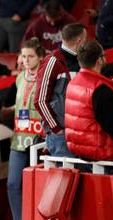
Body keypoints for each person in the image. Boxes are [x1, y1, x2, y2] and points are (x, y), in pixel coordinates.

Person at [0, 38, 46, 220]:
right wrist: (7, 112)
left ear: (41, 57)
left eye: (30, 56)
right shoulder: (19, 79)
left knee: (41, 186)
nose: (26, 61)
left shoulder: (47, 78)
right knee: (13, 183)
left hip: (41, 141)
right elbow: (8, 107)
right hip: (19, 139)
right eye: (23, 56)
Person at [65, 40, 113, 162]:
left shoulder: (73, 83)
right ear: (99, 60)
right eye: (104, 55)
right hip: (104, 157)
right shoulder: (101, 91)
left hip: (81, 154)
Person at [34, 23, 86, 158]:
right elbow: (39, 100)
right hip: (62, 136)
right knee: (66, 177)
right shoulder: (53, 61)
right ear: (80, 41)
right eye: (86, 39)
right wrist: (56, 129)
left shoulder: (82, 61)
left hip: (81, 132)